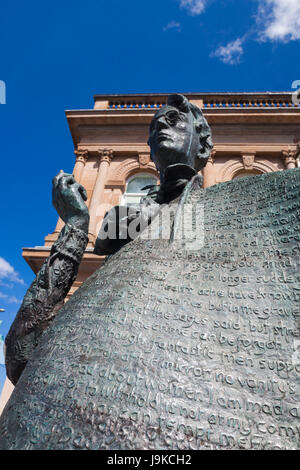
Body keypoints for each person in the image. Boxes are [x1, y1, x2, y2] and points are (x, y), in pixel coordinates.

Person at [4, 94, 212, 386]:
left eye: (175, 120)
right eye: (154, 127)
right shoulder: (121, 224)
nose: (162, 125)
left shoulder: (224, 214)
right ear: (150, 153)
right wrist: (77, 224)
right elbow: (23, 359)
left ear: (203, 144)